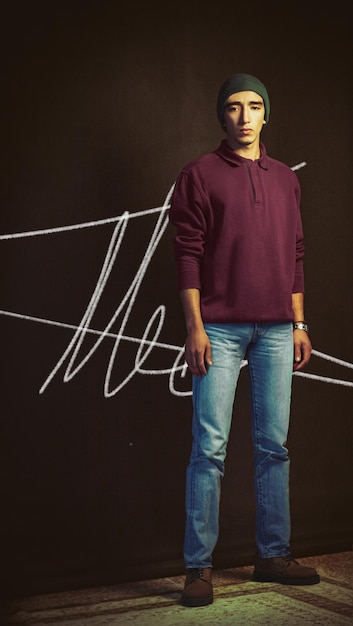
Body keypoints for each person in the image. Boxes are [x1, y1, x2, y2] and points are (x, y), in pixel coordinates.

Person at [169, 72, 320, 608]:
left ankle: (272, 555)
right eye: (233, 106)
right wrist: (195, 327)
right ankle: (198, 568)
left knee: (273, 446)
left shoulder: (285, 178)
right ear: (221, 115)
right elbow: (186, 253)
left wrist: (298, 323)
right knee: (209, 448)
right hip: (222, 329)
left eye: (253, 105)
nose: (244, 116)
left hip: (278, 330)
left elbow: (296, 254)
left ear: (265, 114)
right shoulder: (199, 175)